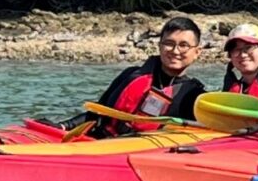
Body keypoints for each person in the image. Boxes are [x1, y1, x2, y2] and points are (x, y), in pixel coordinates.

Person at [74, 17, 208, 133]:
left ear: (197, 52)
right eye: (169, 43)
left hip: (146, 153)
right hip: (103, 141)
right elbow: (98, 113)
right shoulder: (132, 75)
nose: (175, 51)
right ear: (160, 46)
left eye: (184, 45)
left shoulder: (195, 97)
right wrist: (64, 126)